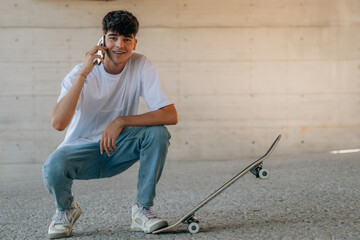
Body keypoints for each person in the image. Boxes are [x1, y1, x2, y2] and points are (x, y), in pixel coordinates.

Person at [42, 10, 178, 239]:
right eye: (113, 37)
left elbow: (170, 115)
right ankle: (66, 209)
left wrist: (122, 120)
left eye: (126, 39)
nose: (119, 45)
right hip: (81, 151)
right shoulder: (81, 72)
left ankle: (142, 210)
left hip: (117, 148)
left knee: (157, 133)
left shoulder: (141, 64)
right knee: (53, 166)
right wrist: (84, 73)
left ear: (135, 42)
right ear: (102, 40)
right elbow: (58, 123)